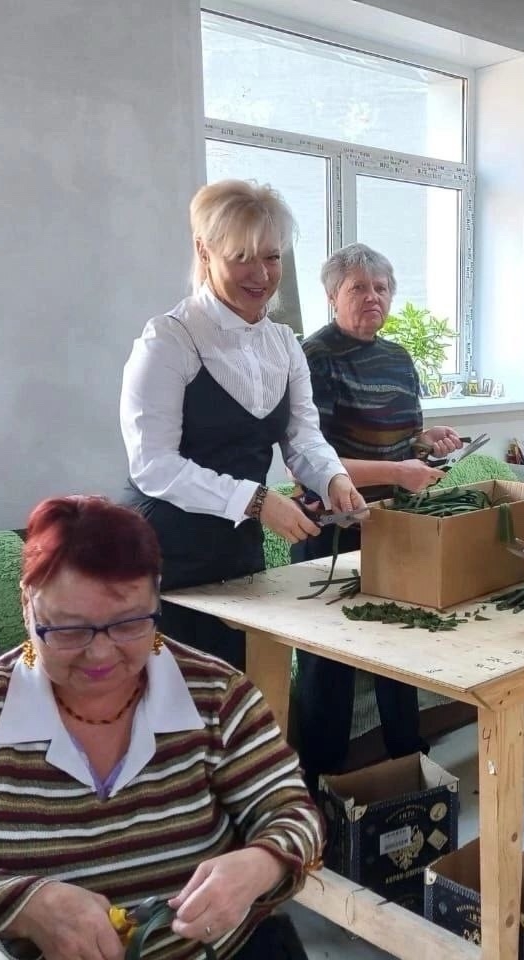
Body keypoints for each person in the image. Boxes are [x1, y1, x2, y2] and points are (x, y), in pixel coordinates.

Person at [0, 496, 322, 960]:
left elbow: (293, 813)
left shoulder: (215, 695)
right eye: (69, 630)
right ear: (27, 606)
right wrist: (24, 907)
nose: (101, 654)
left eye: (129, 624)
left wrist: (261, 864)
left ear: (156, 598)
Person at [120, 179, 365, 669]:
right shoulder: (169, 339)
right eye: (242, 258)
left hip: (238, 553)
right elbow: (152, 464)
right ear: (204, 251)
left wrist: (333, 478)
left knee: (235, 689)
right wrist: (255, 500)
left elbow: (302, 437)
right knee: (170, 695)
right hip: (165, 557)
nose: (262, 274)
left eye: (272, 257)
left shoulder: (284, 343)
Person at [290, 243, 462, 787]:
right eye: (358, 288)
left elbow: (404, 438)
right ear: (332, 295)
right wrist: (397, 472)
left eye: (381, 288)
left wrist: (426, 441)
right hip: (331, 531)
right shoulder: (314, 357)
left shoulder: (398, 357)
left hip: (392, 526)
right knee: (329, 662)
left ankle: (408, 768)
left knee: (398, 646)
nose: (373, 297)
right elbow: (310, 461)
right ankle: (321, 785)